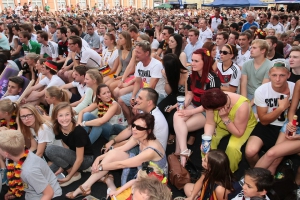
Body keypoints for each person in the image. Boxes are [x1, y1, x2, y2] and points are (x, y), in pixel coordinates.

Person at [66, 113, 167, 199]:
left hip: (153, 181)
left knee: (118, 197)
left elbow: (121, 164)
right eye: (134, 125)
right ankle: (86, 185)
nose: (134, 129)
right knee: (114, 153)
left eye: (139, 127)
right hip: (143, 170)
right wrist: (99, 158)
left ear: (148, 131)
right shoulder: (139, 136)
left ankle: (109, 182)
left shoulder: (151, 150)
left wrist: (100, 167)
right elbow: (120, 149)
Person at [173, 48, 221, 167]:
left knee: (180, 128)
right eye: (192, 60)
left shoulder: (213, 79)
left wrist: (190, 112)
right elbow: (190, 94)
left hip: (207, 112)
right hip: (194, 106)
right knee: (177, 116)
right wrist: (184, 105)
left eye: (196, 61)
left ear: (205, 62)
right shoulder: (192, 75)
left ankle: (180, 155)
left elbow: (210, 104)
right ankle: (182, 153)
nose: (192, 63)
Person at [245, 61, 294, 168]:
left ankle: (260, 176)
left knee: (275, 159)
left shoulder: (295, 88)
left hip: (287, 126)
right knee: (250, 152)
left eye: (282, 75)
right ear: (269, 75)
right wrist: (281, 108)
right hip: (267, 125)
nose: (277, 79)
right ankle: (256, 172)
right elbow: (263, 120)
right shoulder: (262, 91)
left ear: (288, 75)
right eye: (274, 75)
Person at [200, 88, 257, 172]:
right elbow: (210, 123)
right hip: (222, 123)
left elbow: (238, 133)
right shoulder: (213, 100)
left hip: (242, 127)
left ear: (219, 107)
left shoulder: (242, 106)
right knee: (207, 143)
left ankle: (227, 173)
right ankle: (209, 166)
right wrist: (207, 140)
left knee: (233, 148)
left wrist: (225, 118)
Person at [0, 130, 62, 200]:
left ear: (6, 154)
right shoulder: (19, 153)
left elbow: (49, 193)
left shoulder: (29, 171)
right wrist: (15, 191)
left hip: (49, 196)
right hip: (31, 191)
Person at [255, 79, 300, 174]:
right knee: (274, 159)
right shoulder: (299, 83)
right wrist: (292, 123)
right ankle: (252, 184)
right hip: (294, 124)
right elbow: (292, 109)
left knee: (272, 154)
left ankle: (249, 182)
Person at [45, 102, 94, 187]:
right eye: (60, 115)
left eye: (67, 115)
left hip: (85, 159)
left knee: (50, 150)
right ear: (56, 117)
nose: (64, 119)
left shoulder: (78, 132)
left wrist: (69, 175)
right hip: (73, 155)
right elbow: (65, 146)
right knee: (48, 173)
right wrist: (64, 163)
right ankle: (71, 169)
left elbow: (79, 159)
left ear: (71, 115)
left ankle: (75, 174)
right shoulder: (58, 127)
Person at [118, 40, 166, 121]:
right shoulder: (140, 64)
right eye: (135, 51)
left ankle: (139, 124)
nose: (135, 54)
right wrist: (133, 97)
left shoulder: (156, 65)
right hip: (144, 91)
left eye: (138, 52)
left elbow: (151, 88)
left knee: (140, 110)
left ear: (146, 53)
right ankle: (130, 122)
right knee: (121, 100)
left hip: (157, 94)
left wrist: (138, 103)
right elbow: (137, 82)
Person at [158, 54, 188, 145]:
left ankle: (172, 134)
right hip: (174, 95)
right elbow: (169, 92)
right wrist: (167, 78)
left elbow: (188, 96)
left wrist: (174, 106)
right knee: (159, 109)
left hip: (184, 98)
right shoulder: (171, 73)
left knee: (172, 118)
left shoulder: (186, 75)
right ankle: (162, 132)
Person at [241, 39, 272, 114]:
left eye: (254, 48)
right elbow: (243, 84)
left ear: (263, 51)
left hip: (261, 97)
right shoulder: (246, 64)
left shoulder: (270, 66)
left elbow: (263, 89)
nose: (251, 50)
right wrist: (244, 101)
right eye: (251, 48)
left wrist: (250, 104)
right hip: (246, 94)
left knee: (253, 117)